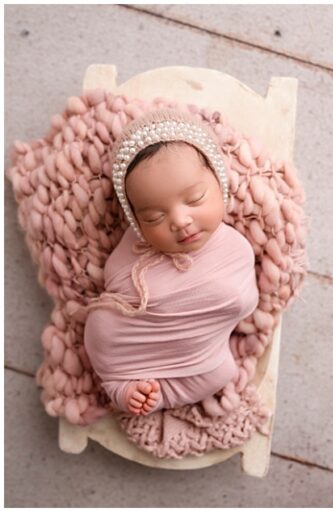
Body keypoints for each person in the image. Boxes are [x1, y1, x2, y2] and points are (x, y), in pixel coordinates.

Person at [83, 109, 258, 416]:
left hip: (199, 354)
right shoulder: (135, 245)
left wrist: (221, 302)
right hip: (120, 340)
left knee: (222, 372)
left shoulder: (236, 249)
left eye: (195, 199)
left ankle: (160, 394)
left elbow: (243, 303)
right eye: (154, 217)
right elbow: (115, 280)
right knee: (104, 326)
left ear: (219, 183)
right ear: (136, 222)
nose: (180, 221)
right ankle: (120, 388)